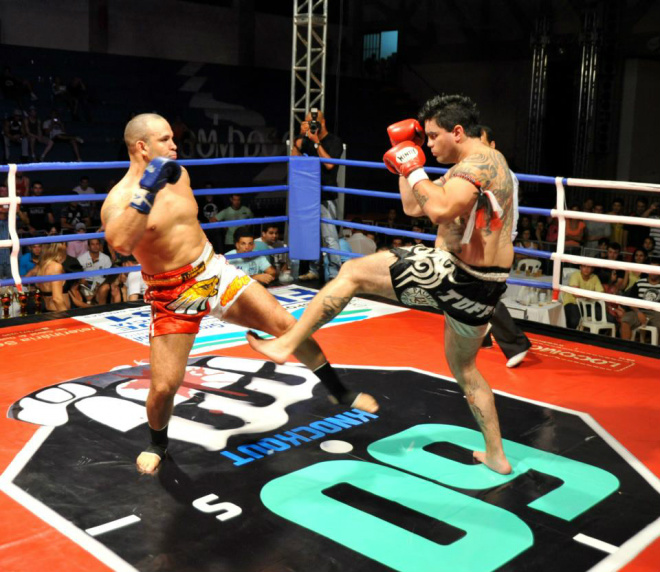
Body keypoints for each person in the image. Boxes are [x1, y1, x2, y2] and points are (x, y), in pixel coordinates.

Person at [248, 95, 515, 475]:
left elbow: (438, 210)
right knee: (466, 370)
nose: (431, 143)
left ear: (458, 131)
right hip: (482, 289)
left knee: (353, 273)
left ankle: (287, 344)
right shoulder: (469, 167)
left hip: (456, 273)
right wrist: (407, 161)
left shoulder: (480, 163)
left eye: (435, 136)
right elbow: (415, 207)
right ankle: (496, 455)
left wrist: (414, 167)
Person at [100, 113, 377, 474]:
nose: (174, 145)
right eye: (166, 140)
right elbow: (120, 243)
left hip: (213, 271)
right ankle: (158, 443)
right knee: (165, 386)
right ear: (141, 147)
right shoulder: (119, 199)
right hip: (172, 294)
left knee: (285, 323)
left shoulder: (179, 174)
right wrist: (147, 190)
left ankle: (339, 390)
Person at [478, 125, 531, 367]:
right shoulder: (484, 170)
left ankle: (515, 342)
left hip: (495, 240)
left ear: (492, 145)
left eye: (482, 142)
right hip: (485, 238)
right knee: (472, 288)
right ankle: (483, 336)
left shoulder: (499, 174)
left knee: (483, 292)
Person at [291, 109, 344, 282]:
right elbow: (294, 160)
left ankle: (335, 274)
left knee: (330, 238)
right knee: (311, 234)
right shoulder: (305, 140)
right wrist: (299, 138)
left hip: (326, 195)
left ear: (323, 123)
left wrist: (316, 143)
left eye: (314, 122)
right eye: (308, 122)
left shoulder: (334, 141)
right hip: (308, 195)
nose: (312, 125)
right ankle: (313, 269)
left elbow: (330, 164)